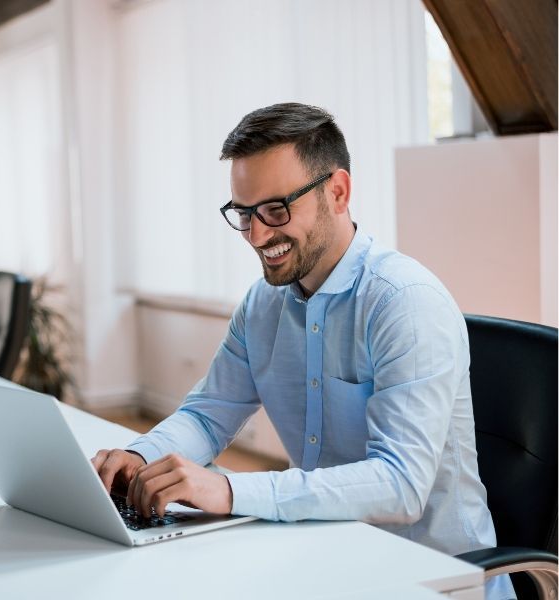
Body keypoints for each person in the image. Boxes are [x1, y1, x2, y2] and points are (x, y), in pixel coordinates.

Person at [91, 103, 513, 600]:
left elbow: (401, 484)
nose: (256, 234)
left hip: (431, 580)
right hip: (323, 558)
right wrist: (139, 457)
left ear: (338, 192)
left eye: (275, 210)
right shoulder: (263, 304)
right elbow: (208, 416)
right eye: (243, 213)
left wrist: (228, 490)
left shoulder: (404, 303)